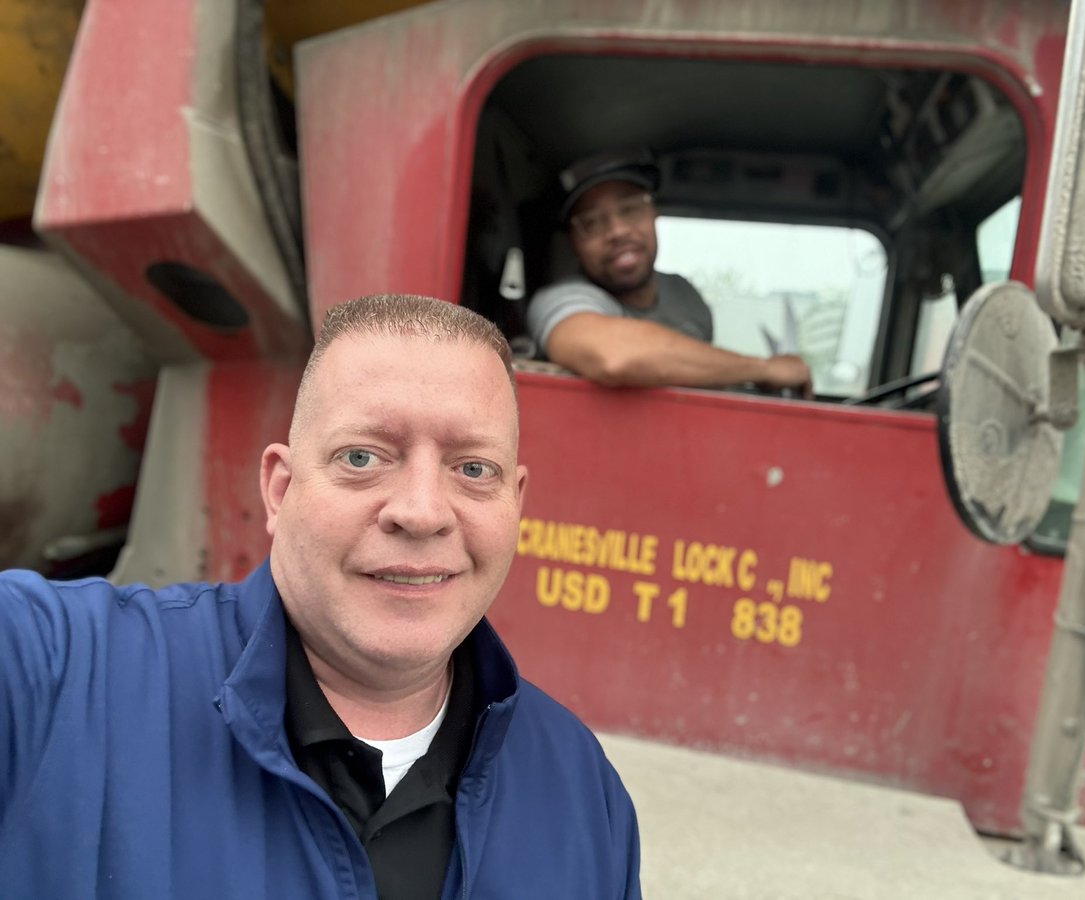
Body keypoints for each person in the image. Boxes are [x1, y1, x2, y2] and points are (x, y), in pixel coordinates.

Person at [0, 294, 641, 900]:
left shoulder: (583, 791)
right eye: (362, 457)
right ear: (280, 490)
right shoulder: (61, 677)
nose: (422, 513)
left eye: (474, 469)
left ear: (515, 504)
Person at [527, 149, 814, 397]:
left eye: (630, 209)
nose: (617, 231)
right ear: (574, 242)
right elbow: (614, 356)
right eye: (591, 222)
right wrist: (765, 369)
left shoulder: (685, 296)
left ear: (654, 214)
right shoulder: (557, 301)